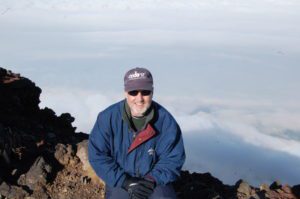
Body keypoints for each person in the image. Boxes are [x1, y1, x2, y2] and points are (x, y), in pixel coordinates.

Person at [88, 67, 185, 199]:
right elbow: (98, 155)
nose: (139, 99)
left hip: (154, 181)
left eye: (145, 92)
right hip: (121, 179)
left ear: (152, 92)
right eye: (133, 92)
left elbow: (173, 158)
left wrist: (151, 180)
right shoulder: (108, 118)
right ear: (125, 93)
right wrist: (125, 181)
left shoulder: (166, 121)